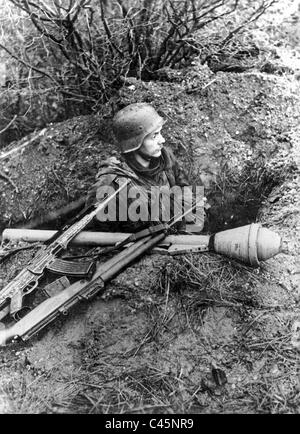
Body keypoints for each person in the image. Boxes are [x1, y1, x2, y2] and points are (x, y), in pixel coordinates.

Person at [86, 103, 205, 232]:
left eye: (160, 133)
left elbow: (185, 191)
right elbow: (96, 235)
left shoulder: (166, 160)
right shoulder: (112, 181)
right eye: (154, 136)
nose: (162, 140)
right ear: (135, 143)